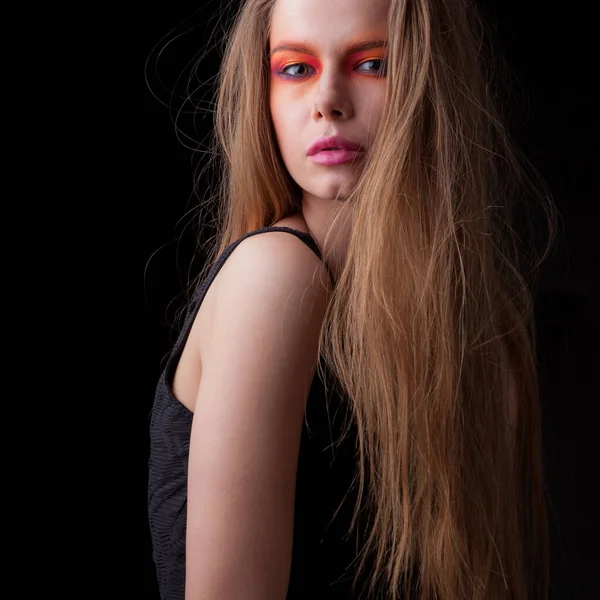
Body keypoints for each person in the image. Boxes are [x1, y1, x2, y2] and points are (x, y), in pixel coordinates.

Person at [147, 0, 559, 599]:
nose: (328, 101)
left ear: (431, 81)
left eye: (372, 64)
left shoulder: (479, 325)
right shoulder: (273, 276)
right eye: (295, 68)